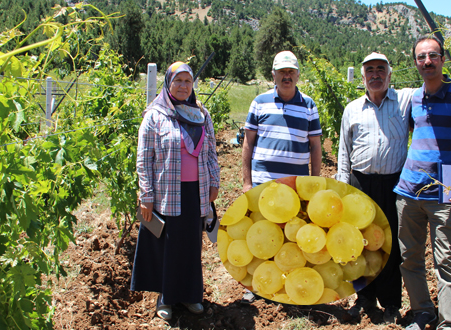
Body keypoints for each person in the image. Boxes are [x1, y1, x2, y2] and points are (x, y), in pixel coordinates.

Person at [337, 52, 451, 324]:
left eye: (381, 69)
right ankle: (364, 299)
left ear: (390, 75)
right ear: (363, 77)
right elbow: (344, 151)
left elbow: (434, 81)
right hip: (359, 183)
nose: (375, 74)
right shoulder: (351, 108)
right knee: (358, 245)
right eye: (370, 70)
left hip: (394, 183)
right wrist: (344, 188)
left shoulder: (405, 99)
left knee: (390, 247)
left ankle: (390, 303)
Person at [394, 36, 451, 330]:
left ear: (443, 60)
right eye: (421, 57)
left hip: (445, 195)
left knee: (446, 262)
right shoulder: (413, 98)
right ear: (416, 63)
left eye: (433, 56)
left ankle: (448, 324)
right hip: (408, 192)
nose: (427, 62)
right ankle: (423, 312)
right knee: (409, 259)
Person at [131, 62, 221, 321]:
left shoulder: (201, 114)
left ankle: (191, 295)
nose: (183, 86)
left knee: (191, 245)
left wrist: (214, 182)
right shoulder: (155, 115)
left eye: (187, 82)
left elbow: (212, 153)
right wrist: (146, 196)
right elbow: (143, 159)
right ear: (168, 83)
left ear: (193, 85)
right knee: (167, 247)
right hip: (166, 193)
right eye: (177, 81)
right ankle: (166, 298)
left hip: (196, 191)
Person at [240, 50, 322, 303]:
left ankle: (291, 283)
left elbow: (316, 146)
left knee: (292, 234)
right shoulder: (259, 102)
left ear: (297, 74)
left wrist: (316, 183)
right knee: (263, 234)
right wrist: (246, 182)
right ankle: (258, 285)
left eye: (291, 72)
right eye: (282, 72)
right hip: (264, 182)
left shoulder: (309, 105)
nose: (287, 76)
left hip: (295, 185)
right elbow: (247, 143)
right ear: (273, 74)